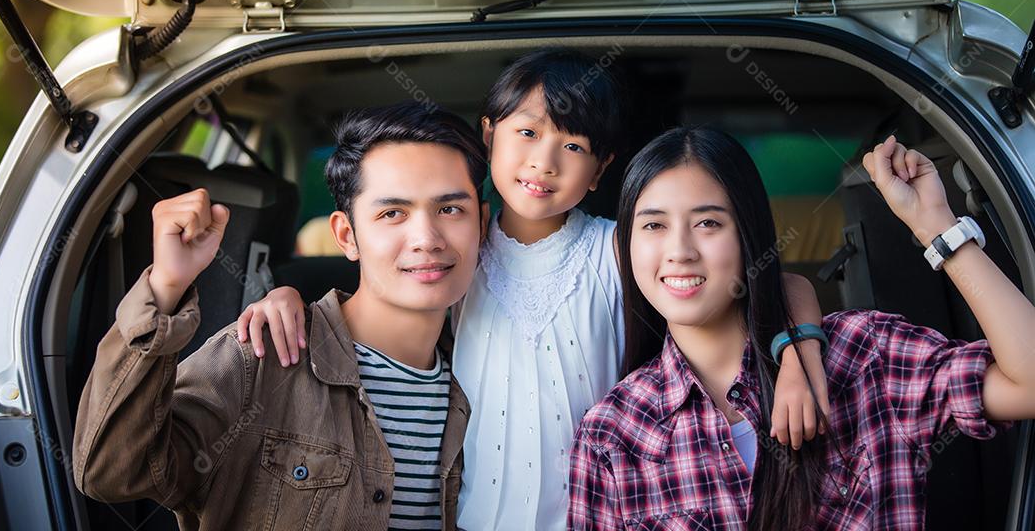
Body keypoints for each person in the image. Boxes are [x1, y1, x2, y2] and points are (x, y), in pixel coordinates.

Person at [242, 50, 827, 530]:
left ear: (599, 171)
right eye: (527, 133)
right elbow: (365, 302)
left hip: (597, 515)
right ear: (489, 135)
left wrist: (797, 356)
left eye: (572, 147)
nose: (543, 162)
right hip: (467, 519)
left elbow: (778, 281)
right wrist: (285, 296)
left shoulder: (620, 247)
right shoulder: (454, 249)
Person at [569, 130, 1033, 530]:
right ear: (626, 246)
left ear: (750, 235)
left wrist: (936, 224)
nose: (680, 251)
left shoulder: (863, 356)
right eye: (653, 225)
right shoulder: (613, 434)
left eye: (708, 222)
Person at [73, 102, 488, 531]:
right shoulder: (262, 353)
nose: (426, 239)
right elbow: (110, 473)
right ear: (347, 236)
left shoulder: (490, 377)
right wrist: (164, 288)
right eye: (392, 214)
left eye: (450, 209)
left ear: (482, 224)